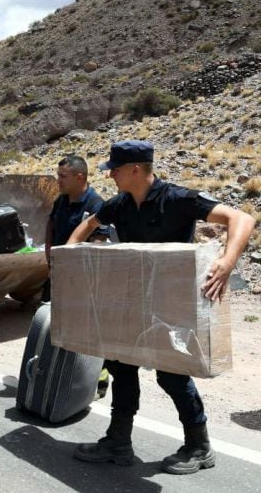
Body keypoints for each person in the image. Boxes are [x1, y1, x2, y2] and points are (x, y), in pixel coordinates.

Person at [67, 140, 255, 474]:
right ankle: (117, 442)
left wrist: (227, 262)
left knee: (172, 375)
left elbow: (241, 219)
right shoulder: (120, 204)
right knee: (121, 366)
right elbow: (89, 224)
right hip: (130, 301)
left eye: (115, 169)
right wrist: (68, 254)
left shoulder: (178, 198)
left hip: (171, 304)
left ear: (135, 169)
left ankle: (199, 446)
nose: (110, 176)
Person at [43, 154, 110, 398]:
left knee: (87, 331)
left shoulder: (96, 205)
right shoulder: (61, 201)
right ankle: (62, 374)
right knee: (60, 327)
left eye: (63, 176)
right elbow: (51, 226)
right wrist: (49, 257)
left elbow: (99, 243)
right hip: (58, 274)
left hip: (83, 280)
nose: (58, 180)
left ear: (80, 177)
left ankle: (98, 380)